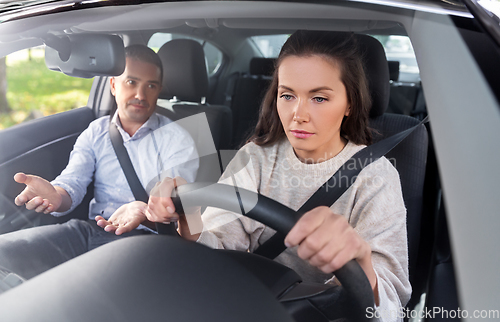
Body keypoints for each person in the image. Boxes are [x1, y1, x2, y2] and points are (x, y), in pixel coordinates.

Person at [102, 31, 411, 320]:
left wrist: (361, 263)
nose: (297, 114)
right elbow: (216, 254)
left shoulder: (375, 176)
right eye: (287, 95)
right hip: (256, 305)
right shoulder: (256, 157)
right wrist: (190, 215)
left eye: (319, 98)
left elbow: (390, 312)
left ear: (349, 104)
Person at [0, 44, 198, 279]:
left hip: (148, 241)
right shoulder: (96, 132)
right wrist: (55, 194)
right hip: (90, 231)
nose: (140, 95)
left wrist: (144, 212)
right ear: (113, 85)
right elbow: (73, 181)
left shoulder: (178, 139)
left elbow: (174, 207)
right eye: (131, 82)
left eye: (151, 86)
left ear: (159, 90)